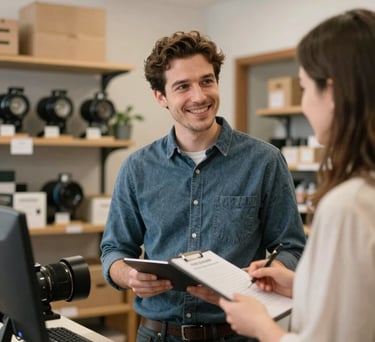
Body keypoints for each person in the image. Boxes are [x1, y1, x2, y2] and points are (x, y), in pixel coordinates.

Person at [100, 30, 306, 342]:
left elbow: (290, 245)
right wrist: (128, 276)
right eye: (183, 86)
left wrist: (270, 271)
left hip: (237, 334)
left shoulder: (264, 161)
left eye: (207, 81)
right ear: (161, 97)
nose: (199, 96)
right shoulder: (137, 167)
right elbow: (114, 249)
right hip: (157, 335)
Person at [216, 8, 375, 342]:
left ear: (331, 93)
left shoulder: (350, 204)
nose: (303, 104)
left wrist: (261, 326)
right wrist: (302, 285)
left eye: (303, 88)